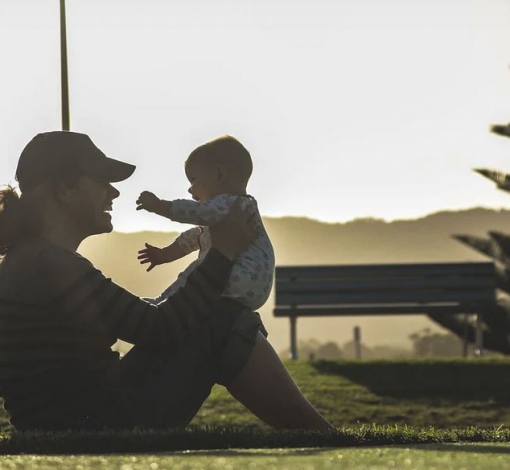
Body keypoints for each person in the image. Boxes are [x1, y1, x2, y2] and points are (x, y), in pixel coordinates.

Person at [0, 131, 333, 431]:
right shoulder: (46, 265)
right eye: (101, 180)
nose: (113, 191)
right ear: (63, 189)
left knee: (221, 317)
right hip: (94, 422)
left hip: (80, 415)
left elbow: (141, 322)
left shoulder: (32, 261)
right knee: (224, 321)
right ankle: (323, 439)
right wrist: (223, 253)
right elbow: (160, 328)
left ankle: (320, 437)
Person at [136, 135, 274, 310]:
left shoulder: (231, 204)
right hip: (253, 288)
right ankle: (162, 303)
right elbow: (195, 238)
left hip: (238, 277)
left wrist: (160, 206)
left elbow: (196, 213)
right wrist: (164, 255)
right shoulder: (236, 210)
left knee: (194, 275)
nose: (189, 188)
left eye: (193, 180)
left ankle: (162, 305)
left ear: (220, 175)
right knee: (198, 274)